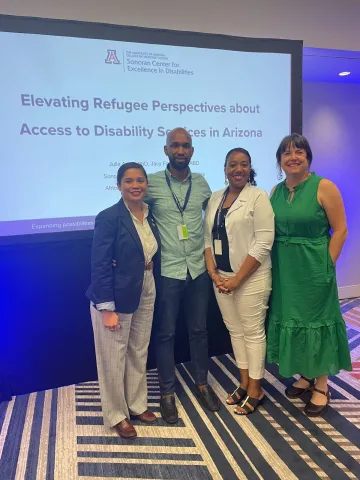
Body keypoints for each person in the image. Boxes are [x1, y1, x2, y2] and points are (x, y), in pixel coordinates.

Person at [267, 133, 352, 417]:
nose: (293, 157)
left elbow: (340, 229)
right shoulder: (276, 191)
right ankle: (306, 374)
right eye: (287, 153)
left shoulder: (323, 186)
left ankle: (322, 384)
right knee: (295, 320)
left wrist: (327, 264)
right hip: (285, 270)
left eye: (299, 152)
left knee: (317, 321)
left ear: (308, 157)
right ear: (280, 160)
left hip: (314, 267)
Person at [146, 127, 220, 424]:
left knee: (199, 331)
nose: (180, 150)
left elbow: (216, 219)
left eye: (185, 146)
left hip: (198, 270)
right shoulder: (150, 184)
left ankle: (202, 383)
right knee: (165, 334)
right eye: (174, 146)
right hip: (168, 272)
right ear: (166, 150)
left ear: (192, 150)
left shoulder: (201, 184)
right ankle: (167, 393)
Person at [86, 162, 161, 439]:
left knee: (138, 350)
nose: (135, 185)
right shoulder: (108, 217)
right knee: (112, 358)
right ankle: (117, 415)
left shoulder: (150, 214)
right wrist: (106, 308)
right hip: (115, 296)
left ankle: (137, 404)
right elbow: (100, 264)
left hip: (146, 287)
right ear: (118, 185)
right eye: (129, 181)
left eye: (140, 180)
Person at [204, 148, 274, 415]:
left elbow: (263, 242)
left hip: (252, 279)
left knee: (253, 332)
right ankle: (244, 382)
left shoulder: (258, 197)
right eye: (233, 164)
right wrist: (214, 274)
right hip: (221, 278)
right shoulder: (214, 199)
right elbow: (207, 240)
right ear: (224, 168)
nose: (238, 169)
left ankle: (257, 388)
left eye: (244, 164)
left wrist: (237, 280)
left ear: (250, 168)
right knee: (236, 332)